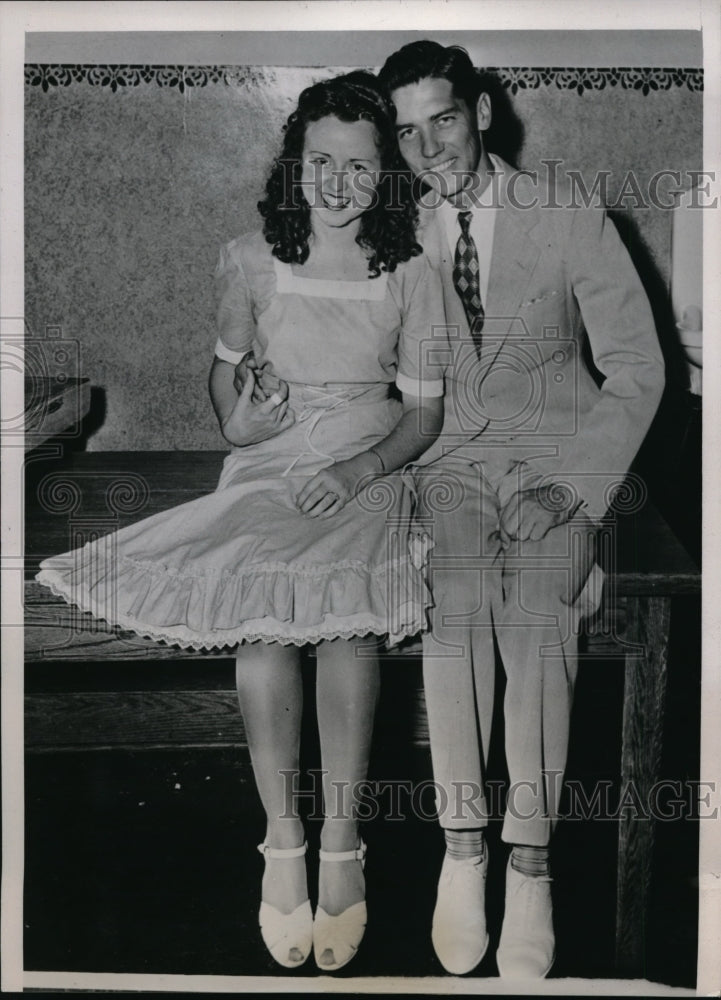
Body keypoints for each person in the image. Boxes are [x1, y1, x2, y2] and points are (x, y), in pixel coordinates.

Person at [36, 72, 446, 972]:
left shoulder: (411, 269)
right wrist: (241, 418)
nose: (336, 185)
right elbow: (227, 387)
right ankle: (282, 840)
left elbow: (422, 416)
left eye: (359, 167)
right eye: (319, 163)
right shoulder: (250, 256)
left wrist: (359, 468)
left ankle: (344, 843)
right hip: (270, 464)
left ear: (388, 176)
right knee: (260, 623)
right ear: (293, 164)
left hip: (366, 463)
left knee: (347, 629)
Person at [377, 42, 665, 978]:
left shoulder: (568, 210)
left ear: (484, 113)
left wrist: (573, 487)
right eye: (407, 132)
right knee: (457, 600)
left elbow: (635, 366)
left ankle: (530, 859)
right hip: (450, 461)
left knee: (539, 605)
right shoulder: (393, 229)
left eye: (444, 121)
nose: (429, 149)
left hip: (560, 456)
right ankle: (463, 851)